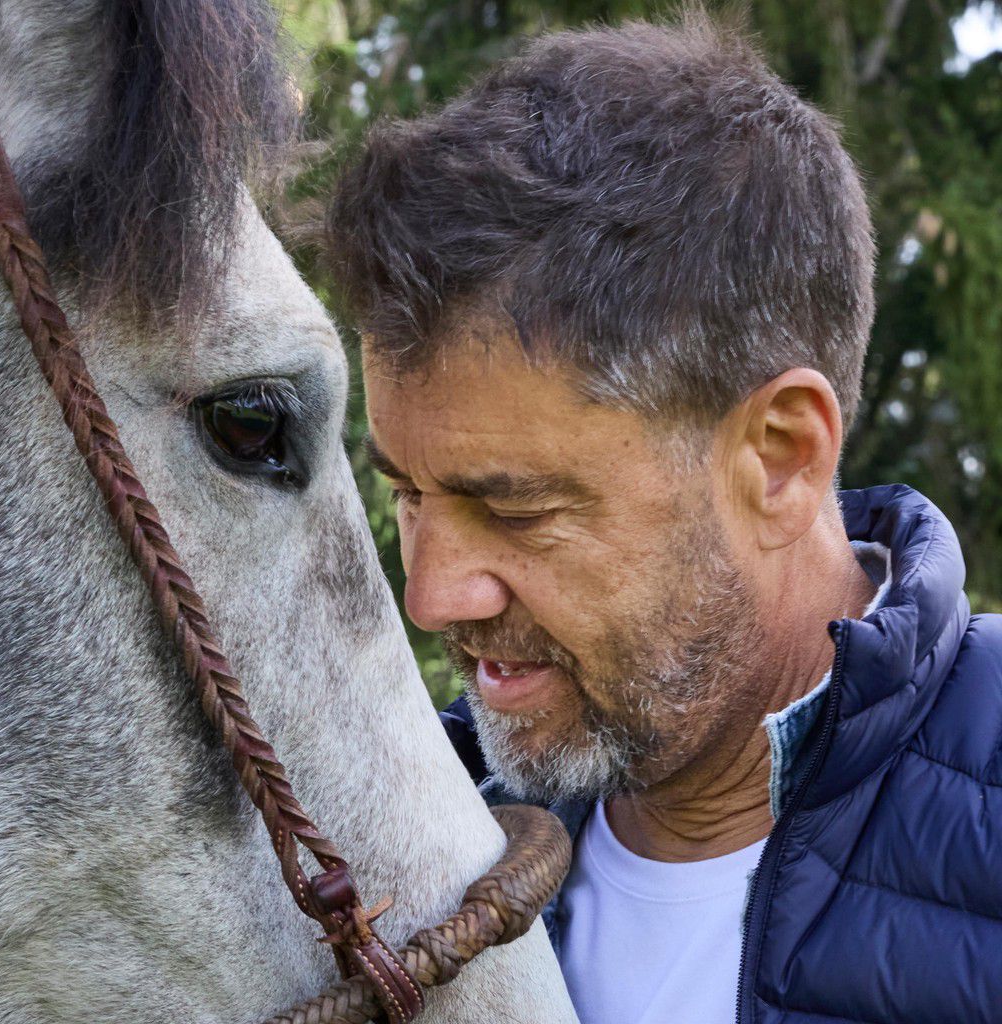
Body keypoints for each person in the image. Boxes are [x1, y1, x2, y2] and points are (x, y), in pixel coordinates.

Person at [325, 13, 1002, 1024]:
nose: (430, 598)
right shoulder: (377, 850)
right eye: (407, 493)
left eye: (516, 508)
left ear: (780, 457)